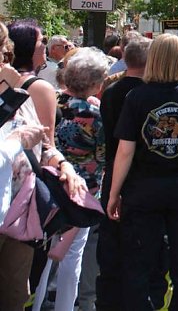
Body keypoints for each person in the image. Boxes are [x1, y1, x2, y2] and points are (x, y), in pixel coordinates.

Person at [107, 34, 178, 310]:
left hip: (144, 189)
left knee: (139, 267)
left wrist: (113, 193)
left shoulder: (136, 96)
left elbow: (125, 151)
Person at [0, 21, 86, 310]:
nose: (5, 55)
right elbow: (20, 139)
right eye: (1, 48)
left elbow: (44, 143)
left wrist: (64, 165)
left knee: (16, 293)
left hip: (18, 207)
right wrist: (18, 140)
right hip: (9, 205)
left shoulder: (18, 89)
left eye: (5, 48)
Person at [33, 48, 109, 311]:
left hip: (48, 185)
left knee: (43, 255)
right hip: (81, 192)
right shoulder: (97, 116)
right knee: (72, 259)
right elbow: (103, 155)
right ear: (95, 83)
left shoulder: (53, 101)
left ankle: (35, 304)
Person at [96, 37, 157, 311]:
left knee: (112, 243)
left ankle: (109, 299)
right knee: (139, 244)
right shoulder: (147, 94)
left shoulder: (110, 92)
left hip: (112, 170)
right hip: (138, 174)